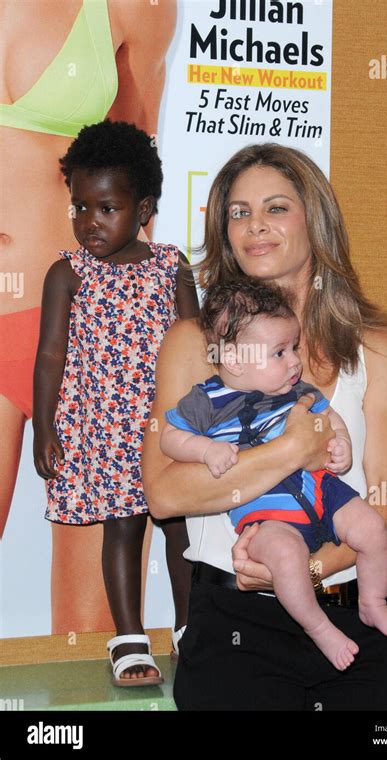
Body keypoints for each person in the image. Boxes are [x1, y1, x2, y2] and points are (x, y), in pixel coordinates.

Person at [142, 143, 387, 710]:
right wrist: (296, 447)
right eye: (238, 212)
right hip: (234, 631)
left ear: (314, 219)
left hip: (357, 618)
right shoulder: (195, 345)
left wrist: (305, 572)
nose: (254, 226)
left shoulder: (379, 349)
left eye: (274, 208)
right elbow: (165, 493)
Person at [0, 0, 190, 642]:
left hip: (86, 336)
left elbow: (140, 158)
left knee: (94, 633)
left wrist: (149, 351)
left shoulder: (138, 5)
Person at [160, 278, 387, 671]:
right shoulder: (206, 400)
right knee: (286, 557)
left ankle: (373, 602)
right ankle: (320, 629)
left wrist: (341, 443)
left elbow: (330, 417)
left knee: (370, 528)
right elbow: (171, 438)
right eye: (279, 352)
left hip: (322, 494)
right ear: (234, 360)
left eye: (293, 347)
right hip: (268, 516)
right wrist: (205, 449)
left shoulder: (297, 392)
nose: (295, 361)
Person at [33, 119, 198, 684]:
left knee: (181, 526)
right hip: (103, 425)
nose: (89, 222)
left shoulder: (172, 268)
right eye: (80, 207)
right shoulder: (67, 274)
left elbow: (194, 345)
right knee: (123, 527)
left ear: (144, 207)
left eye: (106, 208)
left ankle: (189, 629)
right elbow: (50, 355)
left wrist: (206, 423)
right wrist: (45, 428)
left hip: (168, 425)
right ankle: (128, 637)